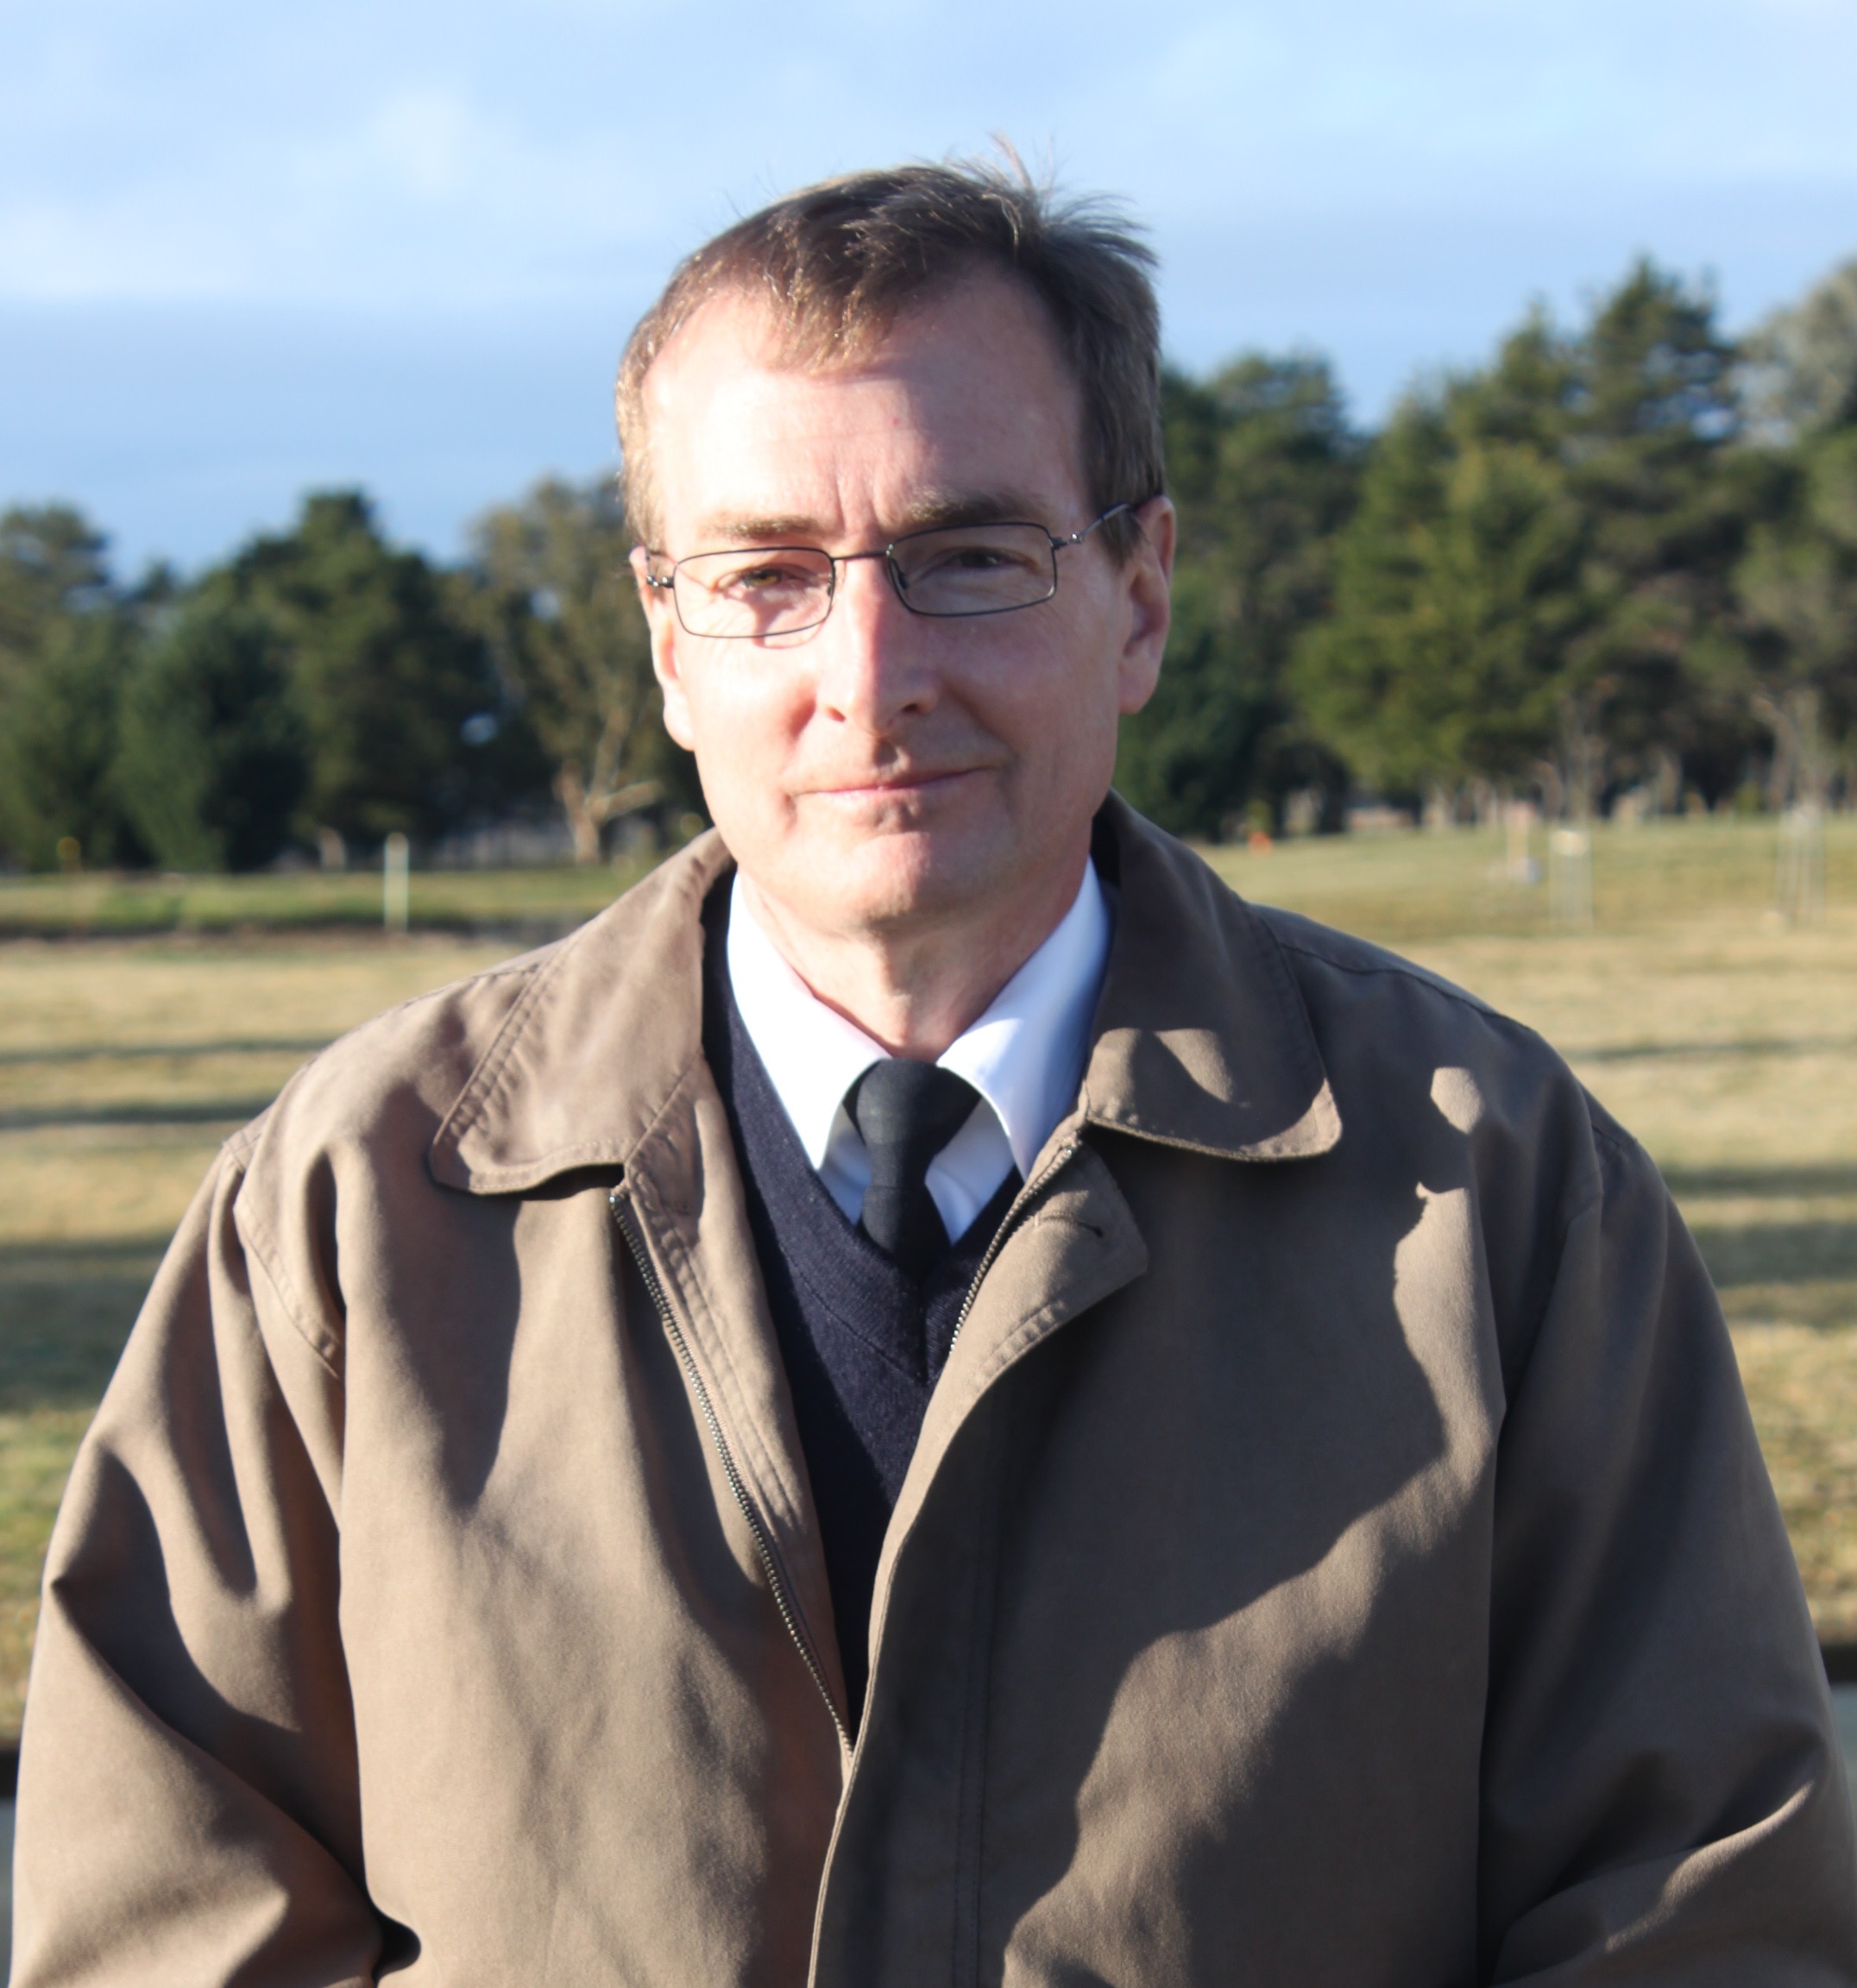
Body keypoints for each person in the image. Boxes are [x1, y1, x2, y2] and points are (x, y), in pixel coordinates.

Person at [12, 161, 1855, 1985]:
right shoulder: (347, 1212)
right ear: (668, 640)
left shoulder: (1500, 1199)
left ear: (1135, 595)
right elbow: (170, 1923)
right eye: (766, 579)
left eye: (967, 557)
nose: (869, 674)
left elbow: (1697, 1915)